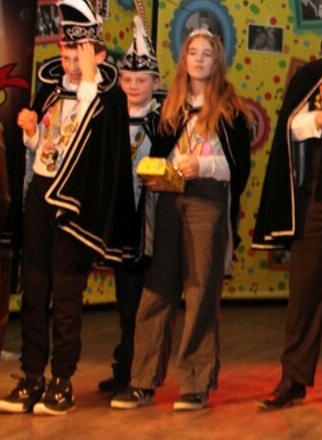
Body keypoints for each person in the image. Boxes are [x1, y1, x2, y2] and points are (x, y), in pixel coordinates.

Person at [0, 0, 137, 416]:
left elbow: (96, 148)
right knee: (35, 291)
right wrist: (32, 133)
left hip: (75, 208)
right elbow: (47, 149)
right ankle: (32, 377)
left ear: (98, 55)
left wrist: (90, 75)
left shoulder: (107, 100)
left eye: (81, 54)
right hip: (42, 193)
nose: (72, 63)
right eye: (67, 52)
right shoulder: (52, 92)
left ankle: (62, 381)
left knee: (67, 294)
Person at [111, 29, 251, 412]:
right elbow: (158, 153)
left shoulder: (230, 111)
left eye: (207, 53)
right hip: (169, 201)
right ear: (184, 59)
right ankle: (141, 381)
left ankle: (195, 382)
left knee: (201, 290)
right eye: (193, 52)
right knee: (157, 288)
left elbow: (238, 169)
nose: (199, 59)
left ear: (217, 61)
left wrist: (202, 166)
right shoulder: (170, 108)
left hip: (208, 200)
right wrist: (157, 173)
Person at [253, 56, 322, 412]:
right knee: (305, 288)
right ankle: (294, 378)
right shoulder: (315, 74)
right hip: (318, 190)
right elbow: (291, 126)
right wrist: (319, 120)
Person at [98, 15, 164, 395]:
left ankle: (141, 371)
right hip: (122, 217)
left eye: (141, 80)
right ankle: (124, 366)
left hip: (151, 219)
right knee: (124, 297)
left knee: (142, 300)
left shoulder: (163, 122)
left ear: (155, 82)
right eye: (126, 80)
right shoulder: (110, 118)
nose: (133, 86)